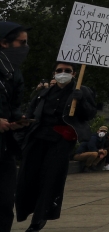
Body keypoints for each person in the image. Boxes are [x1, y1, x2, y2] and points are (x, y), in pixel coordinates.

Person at [16, 62, 97, 232]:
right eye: (59, 70)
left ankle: (39, 218)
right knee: (28, 175)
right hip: (37, 138)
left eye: (67, 71)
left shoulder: (81, 91)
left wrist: (81, 100)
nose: (63, 73)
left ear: (74, 74)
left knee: (51, 178)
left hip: (60, 141)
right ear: (54, 73)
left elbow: (89, 114)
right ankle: (27, 210)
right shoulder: (44, 93)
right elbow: (31, 113)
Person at [0, 22, 32, 232]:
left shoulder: (14, 73)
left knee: (4, 203)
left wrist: (20, 119)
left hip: (4, 148)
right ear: (4, 42)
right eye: (22, 42)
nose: (25, 47)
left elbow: (13, 106)